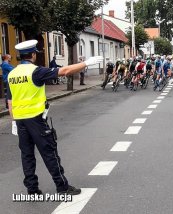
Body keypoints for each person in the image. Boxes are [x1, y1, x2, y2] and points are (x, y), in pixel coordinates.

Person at [7, 40, 102, 195]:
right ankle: (62, 186)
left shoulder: (12, 74)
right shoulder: (36, 71)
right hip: (36, 120)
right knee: (49, 153)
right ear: (32, 55)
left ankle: (32, 189)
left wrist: (14, 122)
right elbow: (64, 71)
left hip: (20, 120)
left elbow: (10, 102)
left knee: (27, 155)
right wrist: (86, 63)